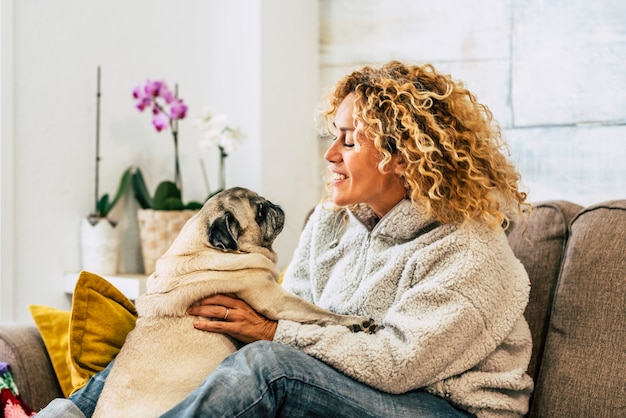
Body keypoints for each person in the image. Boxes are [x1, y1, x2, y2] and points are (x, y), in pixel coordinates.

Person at [38, 61, 533, 417]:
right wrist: (246, 321)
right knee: (178, 329)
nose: (330, 155)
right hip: (356, 386)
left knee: (268, 367)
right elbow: (287, 307)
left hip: (445, 407)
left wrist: (274, 334)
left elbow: (396, 363)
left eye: (349, 140)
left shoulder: (470, 251)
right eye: (332, 135)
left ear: (403, 156)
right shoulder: (332, 221)